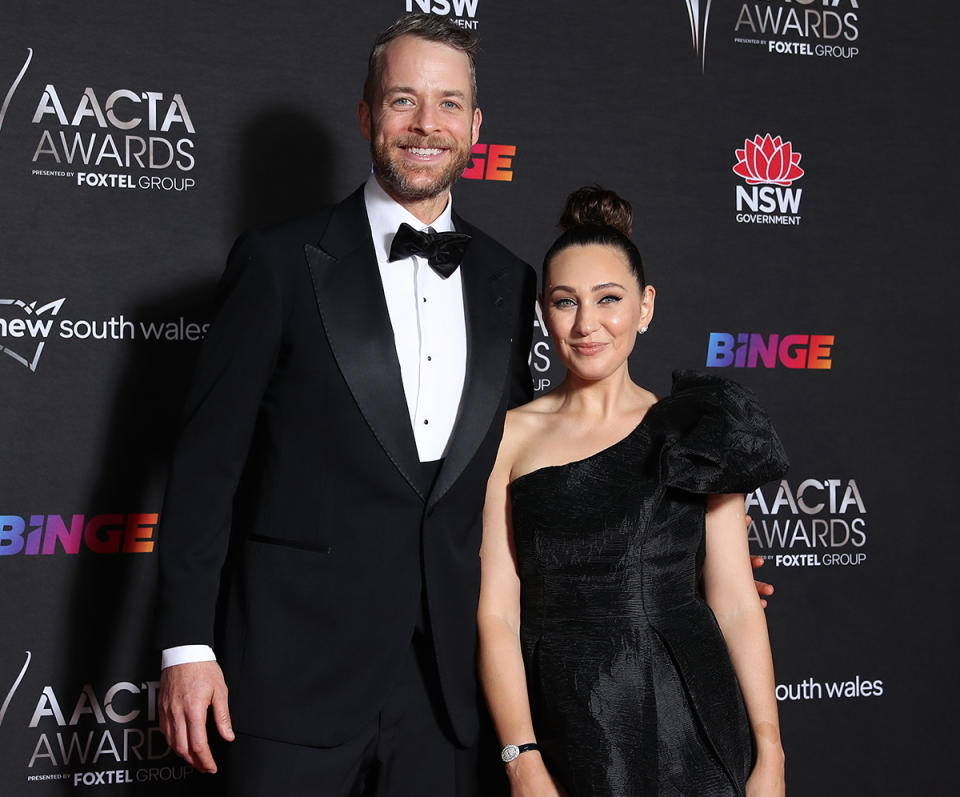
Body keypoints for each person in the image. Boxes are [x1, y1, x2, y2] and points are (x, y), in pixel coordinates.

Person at [156, 14, 537, 797]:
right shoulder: (278, 262)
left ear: (475, 125)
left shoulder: (509, 279)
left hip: (447, 696)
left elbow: (530, 467)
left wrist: (679, 556)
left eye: (448, 103)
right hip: (288, 677)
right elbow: (205, 468)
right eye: (403, 100)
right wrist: (186, 647)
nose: (426, 125)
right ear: (365, 116)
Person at [477, 187, 788, 797]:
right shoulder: (507, 438)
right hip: (572, 717)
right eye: (565, 302)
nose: (587, 324)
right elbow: (497, 613)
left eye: (609, 300)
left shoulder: (698, 426)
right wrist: (522, 759)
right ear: (545, 313)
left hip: (695, 715)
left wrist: (770, 752)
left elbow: (734, 601)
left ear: (645, 307)